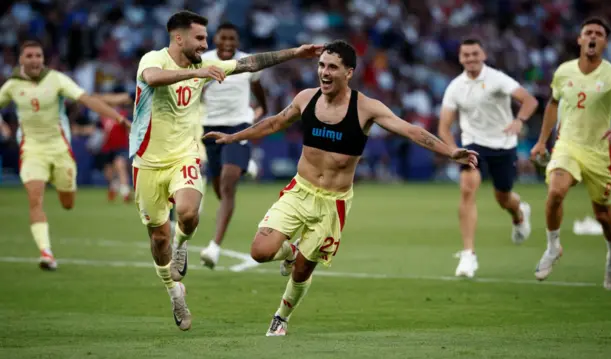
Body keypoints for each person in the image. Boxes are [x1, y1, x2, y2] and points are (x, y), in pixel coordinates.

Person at [203, 40, 478, 336]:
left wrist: (450, 151)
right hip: (300, 191)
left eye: (332, 67)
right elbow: (274, 123)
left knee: (302, 271)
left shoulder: (366, 108)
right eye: (321, 65)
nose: (324, 71)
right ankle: (290, 251)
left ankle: (281, 317)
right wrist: (234, 137)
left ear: (349, 72)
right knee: (259, 251)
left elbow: (411, 130)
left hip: (332, 204)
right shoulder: (306, 98)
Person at [129, 10, 323, 331]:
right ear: (179, 38)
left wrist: (295, 53)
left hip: (185, 156)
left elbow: (251, 64)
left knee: (189, 213)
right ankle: (174, 290)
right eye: (200, 39)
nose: (206, 45)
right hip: (147, 163)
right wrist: (200, 73)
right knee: (157, 236)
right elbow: (151, 78)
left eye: (206, 38)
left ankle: (182, 246)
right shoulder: (154, 59)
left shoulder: (203, 65)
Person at [0, 40, 129, 271]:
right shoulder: (11, 86)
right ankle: (46, 253)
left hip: (60, 150)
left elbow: (87, 100)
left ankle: (60, 184)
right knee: (35, 198)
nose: (34, 60)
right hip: (31, 151)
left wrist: (119, 118)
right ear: (21, 60)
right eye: (29, 56)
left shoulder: (57, 79)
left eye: (38, 55)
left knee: (67, 203)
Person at [530, 17, 611, 290]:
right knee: (555, 192)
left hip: (599, 152)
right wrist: (542, 140)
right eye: (587, 32)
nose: (592, 37)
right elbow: (553, 104)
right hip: (567, 144)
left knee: (602, 214)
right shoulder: (564, 72)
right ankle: (553, 246)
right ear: (579, 39)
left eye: (598, 34)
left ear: (604, 42)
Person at [438, 38, 539, 278]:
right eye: (466, 55)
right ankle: (468, 255)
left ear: (483, 55)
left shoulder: (497, 78)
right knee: (467, 188)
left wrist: (519, 121)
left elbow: (529, 100)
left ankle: (519, 213)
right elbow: (444, 127)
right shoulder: (455, 87)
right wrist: (454, 150)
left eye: (475, 54)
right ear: (460, 58)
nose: (471, 58)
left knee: (503, 197)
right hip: (473, 144)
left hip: (504, 144)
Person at [197, 22, 267, 269]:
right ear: (214, 39)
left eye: (232, 39)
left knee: (227, 184)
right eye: (223, 38)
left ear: (238, 41)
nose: (227, 43)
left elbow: (258, 89)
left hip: (239, 126)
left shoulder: (248, 62)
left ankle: (214, 247)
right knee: (219, 189)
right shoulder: (203, 61)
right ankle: (245, 164)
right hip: (210, 128)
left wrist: (261, 110)